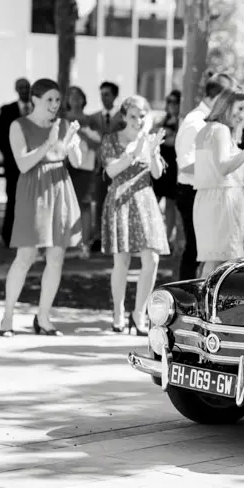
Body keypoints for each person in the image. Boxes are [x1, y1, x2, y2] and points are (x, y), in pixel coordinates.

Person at [0, 78, 83, 337]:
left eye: (58, 100)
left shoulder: (64, 125)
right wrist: (49, 143)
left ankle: (43, 317)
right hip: (33, 191)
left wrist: (72, 145)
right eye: (49, 99)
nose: (55, 105)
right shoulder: (19, 125)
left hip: (60, 188)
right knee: (26, 255)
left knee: (56, 258)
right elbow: (23, 164)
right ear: (34, 99)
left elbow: (77, 162)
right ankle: (8, 316)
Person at [101, 95, 170, 335]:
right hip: (120, 199)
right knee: (122, 260)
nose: (138, 120)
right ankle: (118, 314)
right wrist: (134, 151)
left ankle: (139, 314)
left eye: (142, 115)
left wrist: (151, 151)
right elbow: (111, 171)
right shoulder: (112, 140)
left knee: (152, 259)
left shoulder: (150, 138)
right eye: (132, 116)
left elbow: (158, 173)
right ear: (123, 117)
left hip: (144, 200)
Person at [174, 72, 235, 279]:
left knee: (204, 250)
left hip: (204, 191)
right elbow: (185, 164)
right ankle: (184, 300)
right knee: (195, 250)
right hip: (191, 192)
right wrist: (218, 168)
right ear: (216, 97)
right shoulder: (195, 122)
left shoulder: (211, 122)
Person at [193, 89, 244, 277]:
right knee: (219, 262)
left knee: (214, 260)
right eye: (239, 108)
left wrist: (242, 165)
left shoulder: (208, 129)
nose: (241, 115)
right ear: (226, 104)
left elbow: (215, 165)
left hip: (212, 199)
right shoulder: (220, 130)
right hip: (221, 201)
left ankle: (205, 302)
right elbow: (223, 168)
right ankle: (207, 304)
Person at [62, 86, 102, 259]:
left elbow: (97, 143)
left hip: (85, 167)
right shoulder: (61, 119)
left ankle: (84, 243)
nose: (75, 100)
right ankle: (64, 244)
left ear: (84, 100)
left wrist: (81, 133)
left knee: (84, 205)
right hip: (65, 167)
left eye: (79, 97)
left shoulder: (90, 120)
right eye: (71, 96)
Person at [0, 77, 31, 247]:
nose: (24, 91)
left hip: (34, 163)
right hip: (13, 164)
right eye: (21, 88)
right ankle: (9, 236)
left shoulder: (38, 109)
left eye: (26, 88)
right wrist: (9, 153)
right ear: (17, 90)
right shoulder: (8, 110)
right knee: (13, 198)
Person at [89, 81, 122, 253]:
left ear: (115, 96)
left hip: (118, 166)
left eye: (107, 94)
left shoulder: (123, 118)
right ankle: (98, 236)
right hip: (99, 167)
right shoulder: (94, 118)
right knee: (99, 201)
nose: (103, 98)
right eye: (101, 94)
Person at [151, 90, 181, 250]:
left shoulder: (181, 122)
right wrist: (164, 135)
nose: (172, 105)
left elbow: (173, 142)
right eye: (169, 102)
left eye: (175, 102)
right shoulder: (162, 119)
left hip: (174, 166)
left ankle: (168, 238)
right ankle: (153, 235)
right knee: (153, 202)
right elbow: (152, 135)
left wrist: (164, 136)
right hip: (160, 165)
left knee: (170, 203)